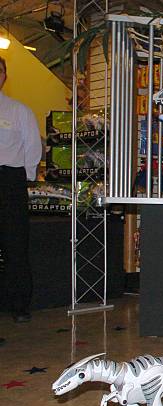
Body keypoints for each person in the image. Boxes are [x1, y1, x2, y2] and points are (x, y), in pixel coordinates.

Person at [0, 56, 42, 323]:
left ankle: (19, 304)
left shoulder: (19, 110)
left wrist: (26, 177)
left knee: (15, 243)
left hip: (10, 180)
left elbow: (32, 147)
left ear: (5, 75)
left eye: (0, 70)